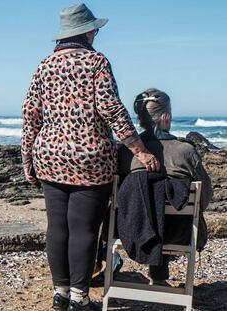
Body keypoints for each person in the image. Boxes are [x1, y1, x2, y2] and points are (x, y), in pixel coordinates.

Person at [21, 4, 160, 310]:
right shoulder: (96, 61)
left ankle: (60, 293)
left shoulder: (44, 65)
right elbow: (111, 108)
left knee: (57, 226)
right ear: (86, 31)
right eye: (94, 29)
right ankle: (79, 298)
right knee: (84, 228)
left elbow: (31, 114)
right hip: (90, 157)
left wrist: (27, 160)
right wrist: (140, 149)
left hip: (49, 155)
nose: (96, 33)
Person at [118, 88, 212, 285]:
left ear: (140, 118)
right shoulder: (186, 151)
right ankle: (159, 277)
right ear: (167, 116)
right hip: (179, 232)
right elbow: (205, 196)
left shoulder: (126, 152)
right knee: (169, 208)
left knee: (148, 203)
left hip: (130, 230)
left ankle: (105, 267)